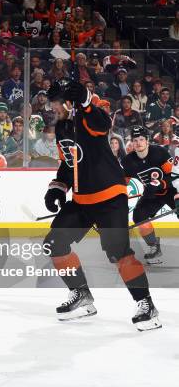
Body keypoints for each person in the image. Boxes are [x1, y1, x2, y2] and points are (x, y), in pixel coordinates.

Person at [43, 80, 160, 331]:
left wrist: (86, 102)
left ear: (67, 102)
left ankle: (146, 305)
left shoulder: (88, 116)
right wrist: (58, 187)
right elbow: (68, 163)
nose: (52, 108)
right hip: (83, 201)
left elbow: (102, 124)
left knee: (118, 252)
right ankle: (82, 296)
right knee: (54, 243)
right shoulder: (63, 127)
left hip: (109, 197)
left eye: (55, 103)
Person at [121, 125, 177, 265]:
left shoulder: (160, 152)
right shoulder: (128, 161)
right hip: (152, 194)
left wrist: (162, 184)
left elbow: (174, 176)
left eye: (141, 139)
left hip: (172, 191)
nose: (138, 143)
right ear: (131, 142)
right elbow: (123, 182)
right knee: (139, 216)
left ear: (147, 140)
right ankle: (154, 246)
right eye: (135, 140)